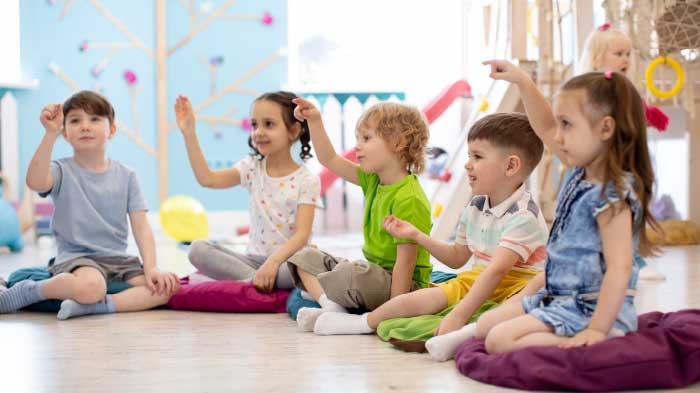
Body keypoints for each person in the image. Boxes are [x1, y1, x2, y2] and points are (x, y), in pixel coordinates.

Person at [313, 114, 548, 362]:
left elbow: (497, 272)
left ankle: (459, 336)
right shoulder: (476, 206)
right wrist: (416, 235)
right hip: (475, 279)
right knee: (412, 301)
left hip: (518, 286)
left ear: (511, 166)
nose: (467, 164)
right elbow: (457, 258)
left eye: (477, 157)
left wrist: (457, 315)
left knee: (502, 316)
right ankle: (361, 324)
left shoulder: (524, 216)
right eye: (468, 156)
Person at [475, 60, 658, 353]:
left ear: (605, 128)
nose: (558, 136)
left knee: (499, 340)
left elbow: (620, 269)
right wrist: (522, 81)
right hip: (559, 297)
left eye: (567, 124)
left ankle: (606, 342)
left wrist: (598, 329)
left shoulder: (612, 197)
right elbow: (545, 126)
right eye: (561, 124)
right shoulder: (579, 168)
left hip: (589, 310)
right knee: (485, 326)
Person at [0, 90, 180, 319]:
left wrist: (152, 267)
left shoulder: (127, 175)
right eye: (75, 121)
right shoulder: (61, 170)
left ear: (112, 130)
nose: (85, 126)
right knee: (93, 287)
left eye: (95, 119)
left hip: (119, 261)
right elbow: (35, 182)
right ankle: (28, 291)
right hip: (78, 258)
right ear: (65, 133)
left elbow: (141, 227)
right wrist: (50, 134)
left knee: (165, 290)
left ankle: (96, 306)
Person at [289, 97, 432, 332]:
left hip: (403, 286)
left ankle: (330, 299)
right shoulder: (373, 180)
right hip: (372, 276)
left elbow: (406, 263)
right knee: (303, 256)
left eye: (366, 138)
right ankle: (331, 306)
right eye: (358, 139)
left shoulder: (409, 199)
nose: (358, 146)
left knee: (349, 274)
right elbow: (329, 159)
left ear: (399, 142)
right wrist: (314, 120)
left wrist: (394, 311)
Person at [176, 91, 322, 293]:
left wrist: (273, 264)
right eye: (254, 125)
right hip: (252, 261)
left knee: (307, 265)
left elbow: (302, 234)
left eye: (268, 124)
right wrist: (189, 133)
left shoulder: (307, 180)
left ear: (294, 131)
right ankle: (256, 280)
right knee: (197, 249)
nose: (258, 132)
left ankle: (251, 281)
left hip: (286, 263)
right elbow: (207, 179)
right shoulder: (252, 168)